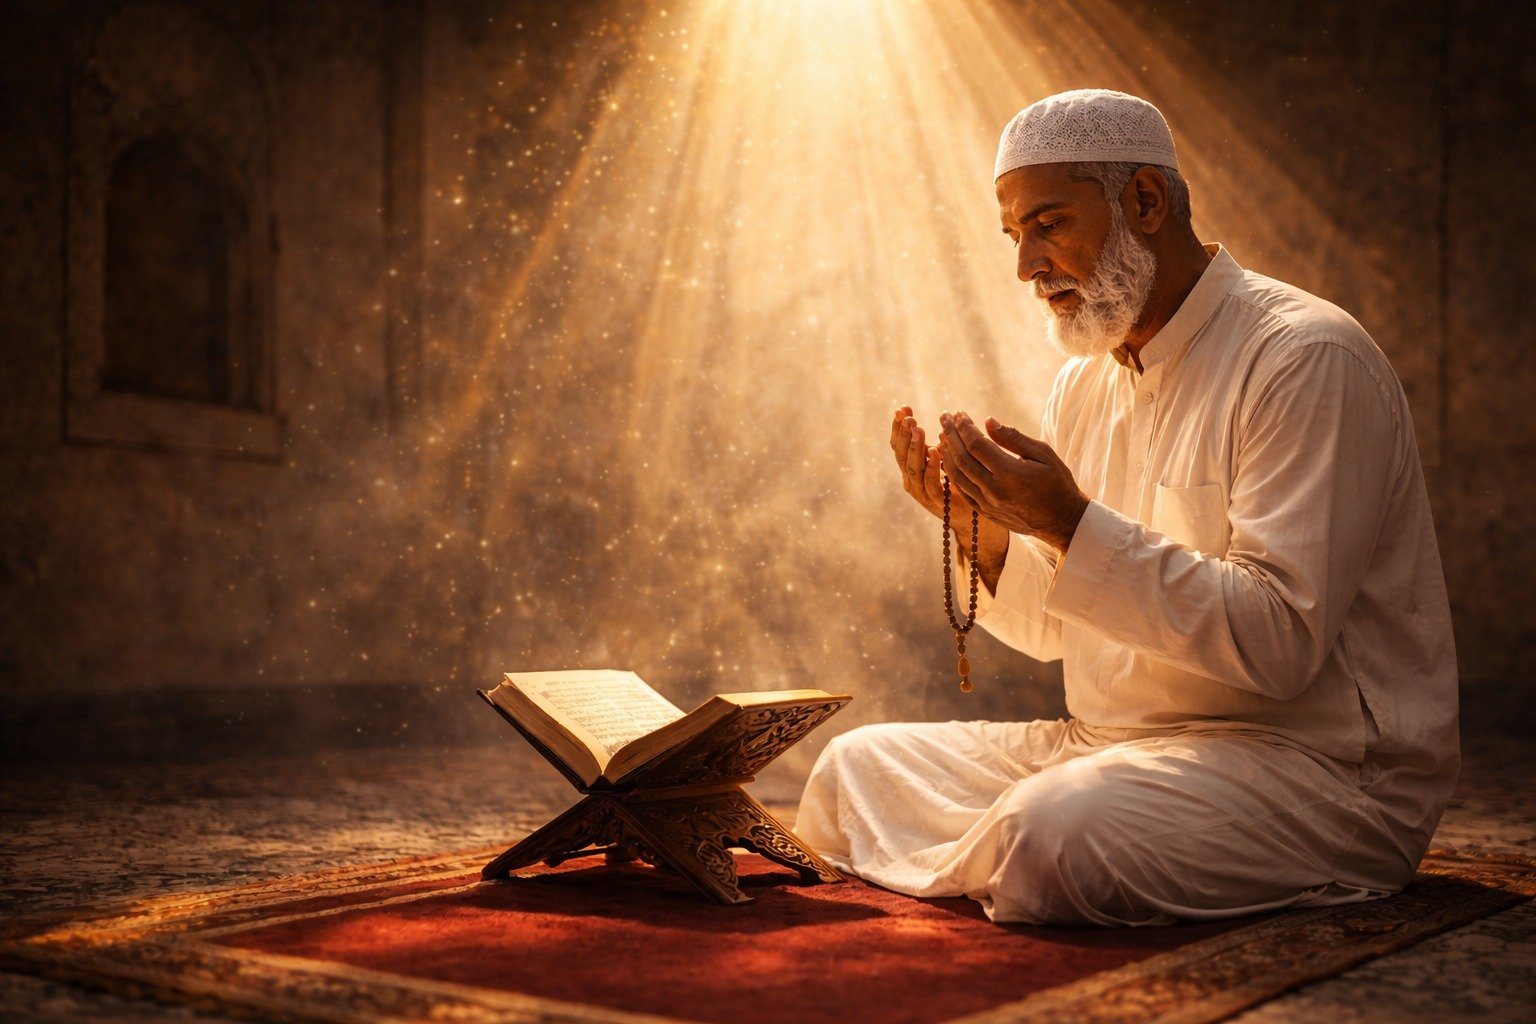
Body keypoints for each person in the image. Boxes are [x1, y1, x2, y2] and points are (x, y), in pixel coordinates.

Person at [794, 89, 1459, 926]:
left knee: (1052, 834)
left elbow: (1283, 641)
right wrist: (992, 534)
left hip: (1311, 769)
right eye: (1014, 236)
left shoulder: (1303, 358)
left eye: (1048, 224)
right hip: (1112, 752)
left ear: (1145, 200)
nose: (1026, 266)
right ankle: (1008, 862)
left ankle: (1010, 861)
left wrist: (1069, 523)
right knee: (854, 770)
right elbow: (1064, 630)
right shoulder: (1087, 380)